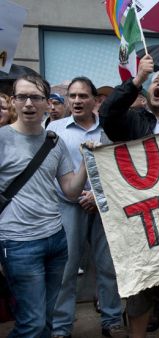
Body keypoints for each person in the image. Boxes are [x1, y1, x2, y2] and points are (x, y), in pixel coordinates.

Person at [100, 54, 159, 338]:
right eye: (157, 81)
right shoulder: (132, 122)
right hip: (140, 229)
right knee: (140, 298)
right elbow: (107, 115)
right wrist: (137, 80)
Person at [0, 73, 88, 337]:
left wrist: (85, 161)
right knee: (32, 324)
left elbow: (71, 191)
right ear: (13, 101)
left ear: (47, 103)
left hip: (56, 240)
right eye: (22, 97)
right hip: (18, 244)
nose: (28, 103)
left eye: (35, 97)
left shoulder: (54, 141)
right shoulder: (1, 139)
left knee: (48, 321)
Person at [48, 77, 125, 338]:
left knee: (107, 266)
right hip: (67, 207)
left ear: (95, 100)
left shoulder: (109, 129)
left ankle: (112, 320)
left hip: (104, 206)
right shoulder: (55, 129)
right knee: (67, 269)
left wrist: (96, 195)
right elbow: (50, 171)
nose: (77, 101)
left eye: (83, 96)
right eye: (73, 96)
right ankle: (61, 327)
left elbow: (119, 167)